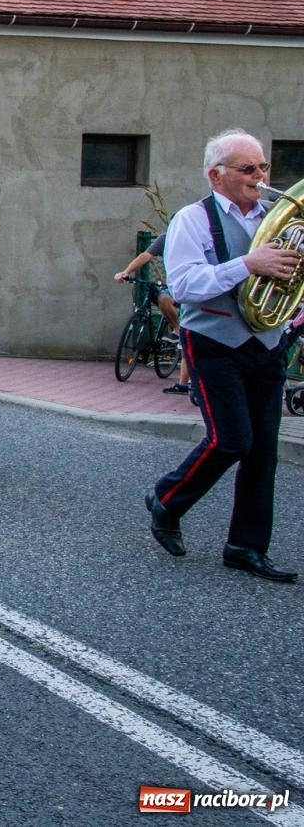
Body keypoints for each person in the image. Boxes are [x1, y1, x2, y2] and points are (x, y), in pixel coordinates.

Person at [146, 129, 300, 583]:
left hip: (268, 341)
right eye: (248, 169)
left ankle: (245, 546)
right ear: (217, 175)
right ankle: (167, 498)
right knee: (231, 439)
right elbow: (187, 286)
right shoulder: (192, 220)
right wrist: (248, 265)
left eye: (264, 167)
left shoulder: (278, 217)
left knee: (263, 450)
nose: (261, 176)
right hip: (214, 340)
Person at [114, 234, 192, 394]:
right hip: (173, 284)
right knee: (163, 298)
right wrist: (126, 271)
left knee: (188, 337)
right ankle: (176, 329)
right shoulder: (166, 238)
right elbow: (146, 255)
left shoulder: (193, 238)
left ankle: (186, 382)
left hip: (189, 283)